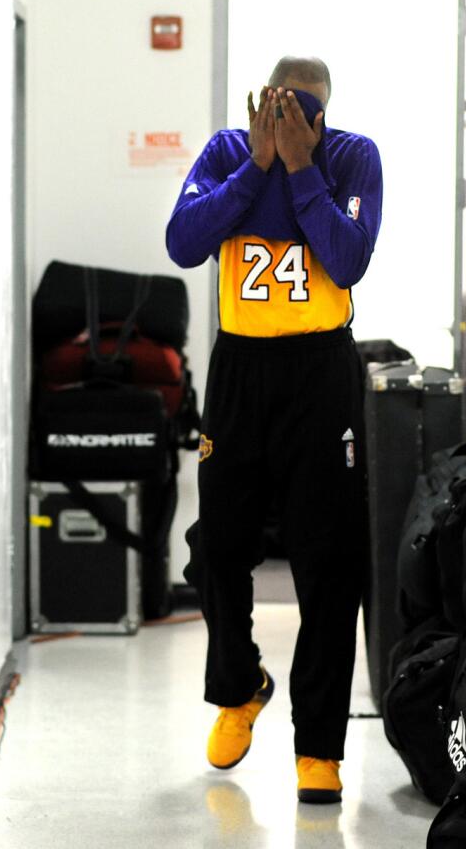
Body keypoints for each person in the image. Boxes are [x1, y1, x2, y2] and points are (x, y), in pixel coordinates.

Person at [165, 55, 383, 804]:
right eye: (283, 110)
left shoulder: (352, 158)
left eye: (309, 115)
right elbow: (183, 242)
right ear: (261, 104)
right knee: (219, 544)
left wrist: (301, 171)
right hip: (241, 372)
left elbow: (348, 259)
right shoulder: (230, 152)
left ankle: (318, 747)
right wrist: (259, 165)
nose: (298, 125)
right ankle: (238, 686)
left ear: (327, 113)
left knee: (331, 560)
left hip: (320, 375)